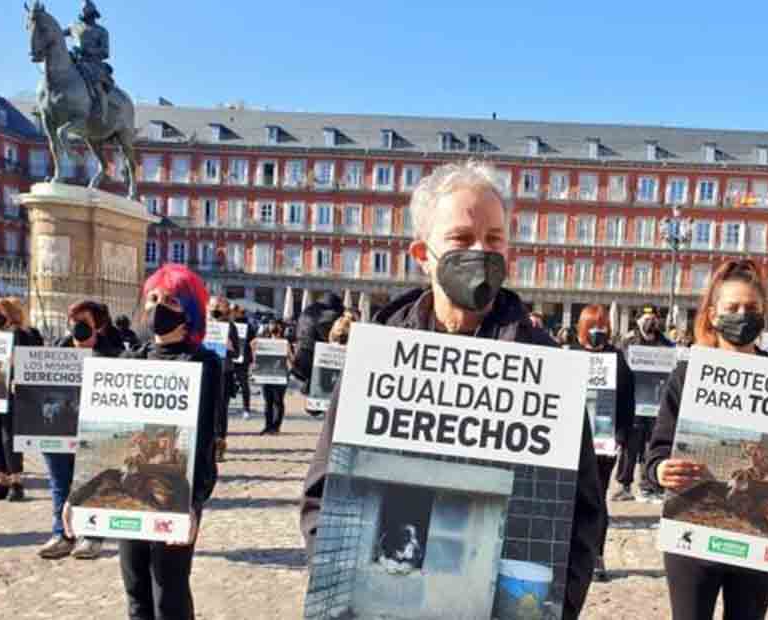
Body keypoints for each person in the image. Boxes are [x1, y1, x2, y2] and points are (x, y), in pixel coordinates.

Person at [300, 161, 602, 619]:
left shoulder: (546, 364)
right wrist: (340, 588)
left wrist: (557, 608)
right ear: (423, 253)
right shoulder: (378, 355)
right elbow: (325, 491)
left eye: (495, 239)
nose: (481, 251)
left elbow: (582, 513)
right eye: (462, 239)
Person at [646, 260, 768, 620]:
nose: (743, 315)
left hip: (760, 543)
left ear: (765, 314)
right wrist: (660, 470)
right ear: (713, 314)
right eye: (733, 308)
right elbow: (657, 452)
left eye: (752, 308)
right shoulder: (687, 375)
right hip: (692, 537)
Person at [65, 264, 220, 619]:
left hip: (174, 492)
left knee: (170, 590)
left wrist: (194, 503)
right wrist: (78, 495)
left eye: (171, 301)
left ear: (191, 312)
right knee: (136, 590)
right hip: (131, 489)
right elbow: (100, 427)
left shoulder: (205, 363)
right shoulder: (133, 359)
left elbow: (207, 439)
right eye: (152, 298)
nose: (158, 306)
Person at [37, 300, 121, 560]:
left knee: (92, 483)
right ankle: (63, 534)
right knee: (60, 483)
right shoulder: (55, 351)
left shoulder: (113, 354)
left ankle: (92, 536)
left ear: (99, 325)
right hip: (60, 429)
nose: (76, 326)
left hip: (95, 431)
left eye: (83, 321)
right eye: (72, 320)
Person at [573, 304, 635, 583]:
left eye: (603, 326)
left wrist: (621, 436)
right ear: (583, 329)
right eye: (593, 326)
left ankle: (596, 556)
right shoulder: (571, 356)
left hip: (603, 444)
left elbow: (628, 401)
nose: (599, 331)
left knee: (597, 500)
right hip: (572, 441)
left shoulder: (618, 358)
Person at [0, 297, 42, 501]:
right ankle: (0, 480)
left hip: (12, 394)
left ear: (11, 315)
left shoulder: (24, 335)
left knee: (9, 437)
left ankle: (16, 482)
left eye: (0, 312)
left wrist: (18, 371)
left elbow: (34, 360)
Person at [616, 308, 672, 503]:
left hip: (656, 403)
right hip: (633, 402)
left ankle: (649, 485)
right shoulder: (628, 341)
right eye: (646, 318)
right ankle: (625, 485)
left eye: (653, 318)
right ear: (638, 320)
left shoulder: (665, 343)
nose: (650, 322)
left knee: (651, 445)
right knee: (630, 447)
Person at [207, 296, 241, 463]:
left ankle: (219, 446)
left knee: (221, 411)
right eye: (213, 306)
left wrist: (230, 347)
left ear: (225, 310)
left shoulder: (231, 327)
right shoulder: (203, 325)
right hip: (206, 370)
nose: (215, 310)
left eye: (219, 307)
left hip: (224, 372)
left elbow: (237, 354)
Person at [256, 322, 288, 435]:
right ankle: (268, 426)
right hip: (267, 374)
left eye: (276, 328)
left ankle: (275, 426)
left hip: (280, 374)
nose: (274, 330)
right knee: (268, 402)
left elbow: (291, 358)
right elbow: (253, 345)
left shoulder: (285, 342)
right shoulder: (265, 342)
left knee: (277, 401)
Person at [229, 304, 256, 420]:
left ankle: (246, 409)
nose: (233, 313)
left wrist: (253, 358)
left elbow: (252, 342)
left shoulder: (248, 326)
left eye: (236, 311)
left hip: (242, 359)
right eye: (233, 311)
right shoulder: (229, 324)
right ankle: (244, 408)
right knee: (231, 383)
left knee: (244, 384)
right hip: (232, 357)